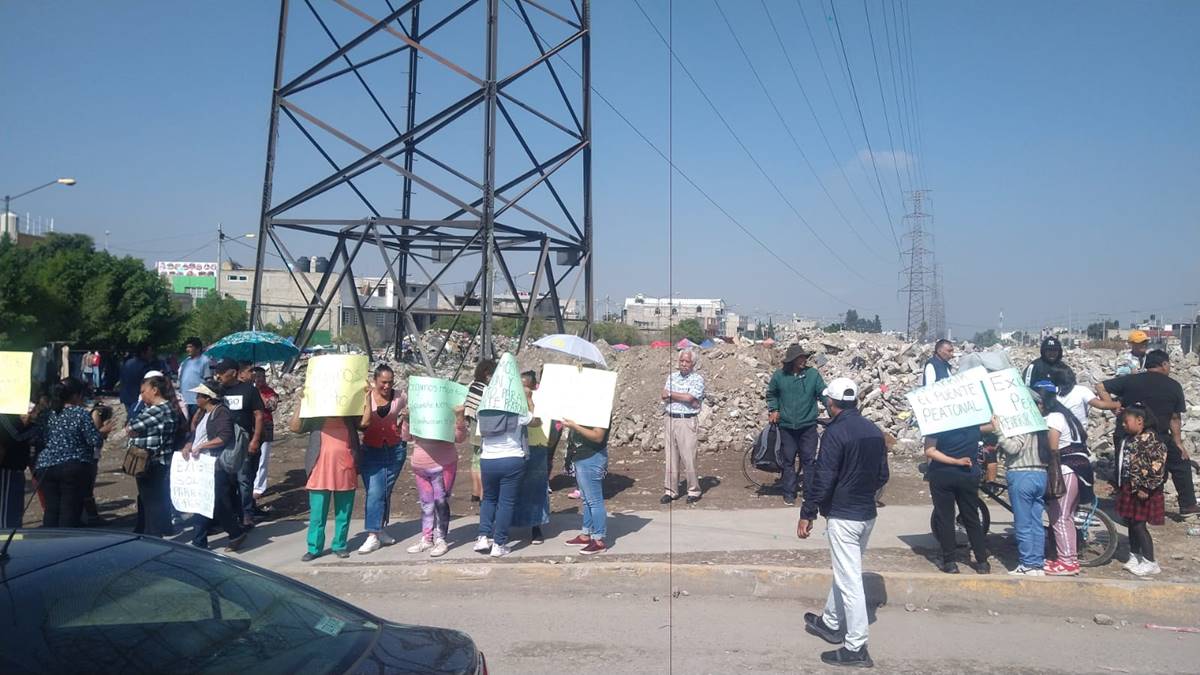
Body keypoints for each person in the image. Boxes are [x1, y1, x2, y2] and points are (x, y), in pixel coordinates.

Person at [797, 377, 888, 668]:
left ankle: (856, 646)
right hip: (866, 515)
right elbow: (883, 476)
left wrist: (807, 512)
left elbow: (823, 478)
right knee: (845, 569)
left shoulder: (835, 434)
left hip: (844, 515)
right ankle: (831, 622)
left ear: (831, 403)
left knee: (850, 581)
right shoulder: (874, 430)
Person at [1098, 350, 1196, 518]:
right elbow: (1174, 417)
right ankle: (1187, 505)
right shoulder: (1173, 385)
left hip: (1128, 435)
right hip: (1159, 436)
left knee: (1126, 468)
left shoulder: (1130, 380)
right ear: (1164, 364)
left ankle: (1126, 503)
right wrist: (1178, 443)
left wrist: (1114, 406)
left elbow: (1101, 386)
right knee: (1181, 464)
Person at [288, 395, 361, 561]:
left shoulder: (349, 416)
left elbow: (365, 424)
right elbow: (294, 427)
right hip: (319, 470)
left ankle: (340, 545)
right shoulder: (315, 416)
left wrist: (366, 396)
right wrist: (302, 401)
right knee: (317, 514)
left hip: (345, 469)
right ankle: (314, 548)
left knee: (344, 512)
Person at [34, 378, 113, 528]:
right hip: (73, 467)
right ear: (76, 395)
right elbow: (94, 441)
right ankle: (66, 545)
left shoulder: (45, 414)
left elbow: (38, 439)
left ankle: (49, 543)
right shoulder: (79, 413)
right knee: (69, 510)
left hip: (45, 468)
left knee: (51, 510)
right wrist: (102, 432)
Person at [180, 381, 247, 551]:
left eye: (199, 396)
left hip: (215, 466)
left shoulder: (221, 413)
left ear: (208, 397)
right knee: (202, 502)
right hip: (201, 465)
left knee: (219, 503)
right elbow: (196, 436)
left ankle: (235, 533)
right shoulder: (203, 414)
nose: (196, 398)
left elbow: (224, 437)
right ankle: (200, 540)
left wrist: (202, 447)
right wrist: (189, 445)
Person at [1034, 383, 1090, 576]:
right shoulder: (1066, 416)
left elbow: (1053, 448)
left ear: (1042, 401)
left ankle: (1067, 562)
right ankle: (1069, 559)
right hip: (1077, 469)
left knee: (1060, 518)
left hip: (1065, 471)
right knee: (1067, 517)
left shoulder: (1054, 418)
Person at [923, 422, 990, 574]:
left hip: (942, 474)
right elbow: (991, 426)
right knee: (971, 517)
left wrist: (955, 461)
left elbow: (930, 451)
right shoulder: (972, 425)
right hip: (968, 474)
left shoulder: (937, 424)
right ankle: (982, 562)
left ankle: (950, 562)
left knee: (945, 518)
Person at [403, 404, 468, 557]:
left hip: (442, 466)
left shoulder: (446, 414)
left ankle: (441, 539)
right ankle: (427, 538)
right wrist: (406, 419)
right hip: (420, 467)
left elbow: (460, 438)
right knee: (426, 504)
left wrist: (459, 416)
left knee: (441, 503)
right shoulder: (419, 414)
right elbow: (406, 437)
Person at [766, 344, 827, 506]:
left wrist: (835, 410)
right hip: (786, 427)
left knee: (809, 461)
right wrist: (774, 409)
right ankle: (789, 493)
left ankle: (808, 494)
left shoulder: (813, 375)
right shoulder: (779, 376)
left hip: (808, 426)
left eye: (804, 357)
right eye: (800, 358)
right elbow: (771, 394)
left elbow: (823, 394)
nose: (803, 360)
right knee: (788, 461)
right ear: (792, 360)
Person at [474, 391, 532, 558]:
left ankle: (483, 537)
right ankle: (499, 543)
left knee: (489, 499)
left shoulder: (482, 411)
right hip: (512, 459)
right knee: (506, 503)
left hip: (488, 459)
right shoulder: (517, 411)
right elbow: (535, 420)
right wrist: (527, 399)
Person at [356, 364, 407, 554]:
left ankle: (380, 529)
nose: (387, 386)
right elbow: (361, 423)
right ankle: (372, 535)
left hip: (395, 450)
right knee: (374, 492)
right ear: (375, 381)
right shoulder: (365, 396)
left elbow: (414, 412)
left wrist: (407, 419)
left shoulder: (401, 396)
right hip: (371, 450)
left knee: (384, 491)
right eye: (383, 382)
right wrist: (367, 399)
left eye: (390, 382)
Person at [1112, 404, 1167, 576]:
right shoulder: (1129, 440)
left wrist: (1146, 487)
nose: (1123, 425)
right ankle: (1135, 556)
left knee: (1139, 525)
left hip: (1143, 490)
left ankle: (1150, 561)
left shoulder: (1153, 442)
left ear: (1140, 421)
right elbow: (1124, 463)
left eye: (1125, 421)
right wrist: (1117, 482)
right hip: (1129, 487)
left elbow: (1158, 469)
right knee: (1131, 522)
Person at [126, 375, 182, 537]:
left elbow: (131, 427)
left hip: (151, 462)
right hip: (157, 461)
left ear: (155, 390)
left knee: (151, 501)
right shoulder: (165, 408)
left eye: (144, 391)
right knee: (155, 499)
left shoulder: (159, 410)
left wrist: (133, 429)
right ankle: (157, 531)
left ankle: (154, 535)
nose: (142, 395)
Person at [213, 359, 265, 529]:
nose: (218, 376)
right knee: (226, 483)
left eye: (221, 373)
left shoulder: (249, 390)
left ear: (233, 373)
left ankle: (247, 516)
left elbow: (258, 415)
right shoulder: (218, 392)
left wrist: (255, 439)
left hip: (243, 443)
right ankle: (229, 516)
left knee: (244, 480)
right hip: (222, 444)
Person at [994, 413, 1048, 576]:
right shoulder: (1041, 424)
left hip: (1021, 473)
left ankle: (1027, 563)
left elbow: (1013, 448)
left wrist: (998, 432)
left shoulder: (1021, 425)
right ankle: (1037, 562)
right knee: (1036, 522)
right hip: (1041, 474)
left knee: (1023, 522)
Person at [562, 415, 612, 555]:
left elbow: (598, 436)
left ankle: (598, 540)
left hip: (592, 458)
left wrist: (575, 426)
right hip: (581, 456)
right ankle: (586, 535)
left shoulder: (602, 408)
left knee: (594, 500)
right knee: (586, 499)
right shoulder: (587, 406)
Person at [512, 371, 551, 544]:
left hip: (537, 446)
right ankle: (511, 523)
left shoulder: (542, 398)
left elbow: (539, 420)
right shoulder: (513, 399)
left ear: (534, 386)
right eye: (521, 386)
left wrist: (529, 399)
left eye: (526, 386)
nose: (523, 389)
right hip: (516, 447)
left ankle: (536, 526)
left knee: (536, 489)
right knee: (514, 488)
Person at [661, 349, 704, 504]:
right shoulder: (671, 377)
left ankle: (693, 490)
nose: (684, 364)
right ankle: (670, 490)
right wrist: (683, 398)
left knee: (689, 458)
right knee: (671, 457)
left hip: (687, 421)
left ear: (693, 364)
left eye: (687, 361)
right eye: (682, 361)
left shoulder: (697, 379)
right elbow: (663, 395)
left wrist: (674, 395)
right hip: (670, 419)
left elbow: (691, 397)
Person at [0, 404, 43, 528]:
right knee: (7, 512)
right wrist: (34, 425)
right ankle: (7, 541)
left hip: (16, 467)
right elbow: (16, 436)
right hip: (8, 467)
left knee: (13, 508)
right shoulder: (5, 414)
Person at [463, 358, 497, 503]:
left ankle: (475, 492)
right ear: (486, 373)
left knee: (475, 461)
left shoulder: (472, 385)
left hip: (473, 426)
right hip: (483, 428)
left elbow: (468, 406)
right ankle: (483, 493)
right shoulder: (485, 389)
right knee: (482, 461)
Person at [1048, 362, 1120, 428]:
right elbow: (1101, 405)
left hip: (1055, 431)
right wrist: (1117, 404)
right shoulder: (1081, 390)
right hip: (1078, 432)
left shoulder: (1049, 392)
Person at [251, 366, 278, 507]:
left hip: (266, 427)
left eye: (261, 376)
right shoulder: (248, 390)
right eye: (256, 376)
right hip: (251, 426)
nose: (259, 379)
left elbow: (272, 406)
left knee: (263, 459)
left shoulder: (270, 392)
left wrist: (259, 394)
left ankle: (259, 487)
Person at [178, 337, 212, 422]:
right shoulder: (185, 362)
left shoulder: (205, 361)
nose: (187, 349)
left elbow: (208, 381)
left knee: (195, 425)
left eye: (190, 347)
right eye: (187, 347)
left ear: (198, 348)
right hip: (184, 401)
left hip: (196, 401)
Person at [118, 344, 153, 420]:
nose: (151, 353)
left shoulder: (127, 362)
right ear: (143, 353)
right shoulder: (145, 366)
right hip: (137, 397)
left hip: (125, 396)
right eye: (149, 351)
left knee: (130, 418)